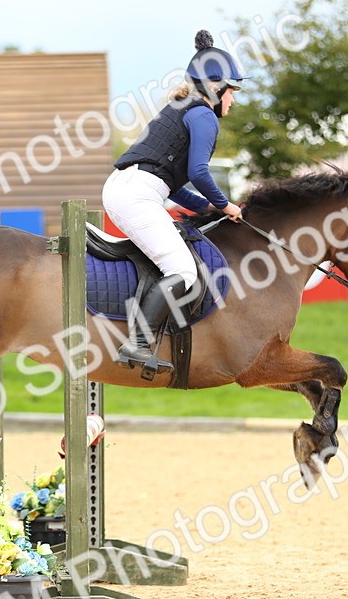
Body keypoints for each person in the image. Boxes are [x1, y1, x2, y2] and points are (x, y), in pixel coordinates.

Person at [103, 29, 245, 374]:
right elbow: (199, 172)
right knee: (183, 270)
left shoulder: (183, 109)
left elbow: (175, 187)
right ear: (215, 88)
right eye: (232, 91)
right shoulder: (203, 115)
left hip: (132, 188)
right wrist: (225, 204)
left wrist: (207, 208)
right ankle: (137, 344)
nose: (233, 100)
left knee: (176, 262)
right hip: (137, 193)